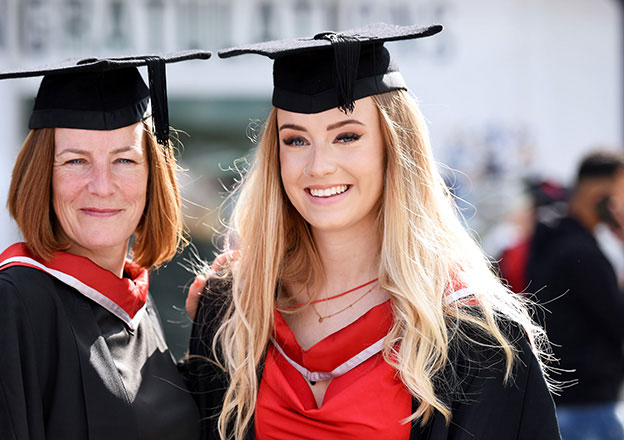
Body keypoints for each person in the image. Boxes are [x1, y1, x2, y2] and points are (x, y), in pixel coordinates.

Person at [185, 24, 560, 440]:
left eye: (346, 136)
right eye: (295, 141)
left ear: (394, 147)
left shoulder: (472, 330)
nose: (318, 166)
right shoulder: (234, 309)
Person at [0, 51, 210, 439]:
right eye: (75, 162)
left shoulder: (133, 297)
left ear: (154, 175)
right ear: (42, 177)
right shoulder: (10, 308)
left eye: (124, 160)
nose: (102, 186)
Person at [527, 151, 624, 440]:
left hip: (560, 400)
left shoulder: (550, 239)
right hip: (589, 408)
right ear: (600, 196)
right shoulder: (582, 254)